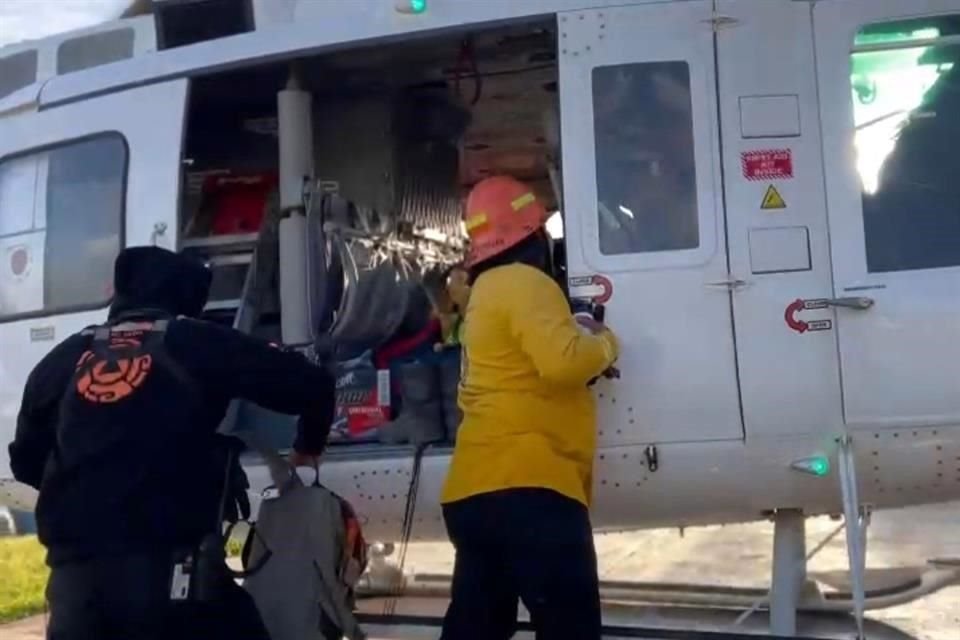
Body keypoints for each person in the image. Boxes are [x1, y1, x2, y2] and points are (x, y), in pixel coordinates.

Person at [8, 246, 336, 640]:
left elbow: (25, 462)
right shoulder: (196, 341)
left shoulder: (61, 360)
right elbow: (315, 386)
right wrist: (306, 451)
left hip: (75, 590)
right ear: (185, 297)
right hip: (173, 584)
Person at [439, 176, 620, 640]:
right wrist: (604, 345)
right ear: (534, 234)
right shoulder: (524, 281)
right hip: (532, 490)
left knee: (476, 629)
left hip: (475, 494)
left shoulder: (484, 295)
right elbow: (563, 363)